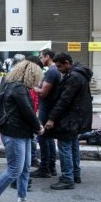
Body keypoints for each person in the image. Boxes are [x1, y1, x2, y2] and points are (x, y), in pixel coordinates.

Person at [0, 60, 44, 202]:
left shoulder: (12, 84)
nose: (37, 80)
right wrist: (38, 126)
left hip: (22, 132)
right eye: (36, 76)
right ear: (30, 74)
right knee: (15, 169)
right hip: (14, 132)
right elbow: (28, 111)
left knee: (25, 167)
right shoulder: (19, 88)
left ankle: (22, 199)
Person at [45, 53, 93, 190]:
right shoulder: (80, 74)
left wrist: (52, 118)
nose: (58, 69)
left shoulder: (73, 77)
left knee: (65, 147)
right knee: (73, 146)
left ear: (67, 63)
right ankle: (75, 175)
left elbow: (64, 100)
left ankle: (67, 178)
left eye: (59, 66)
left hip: (70, 118)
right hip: (77, 117)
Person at [31, 49, 60, 179]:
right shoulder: (55, 71)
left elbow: (43, 92)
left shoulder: (51, 71)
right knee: (48, 138)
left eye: (42, 57)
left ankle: (45, 168)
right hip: (49, 108)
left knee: (43, 137)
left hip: (46, 109)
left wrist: (32, 87)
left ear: (48, 57)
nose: (41, 59)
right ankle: (51, 166)